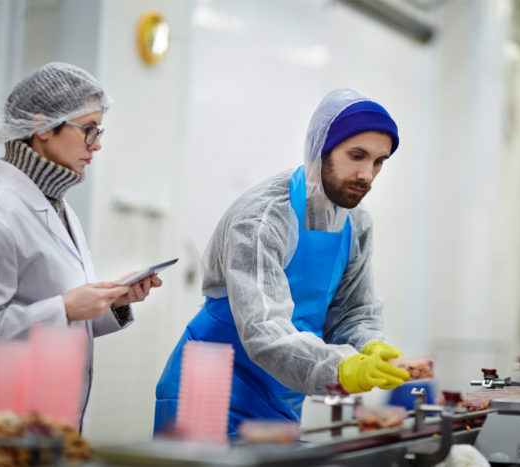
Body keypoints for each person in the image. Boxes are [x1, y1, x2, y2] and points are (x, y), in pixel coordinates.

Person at [155, 88, 410, 435]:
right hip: (209, 389)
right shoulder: (264, 215)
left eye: (378, 162)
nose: (367, 174)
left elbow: (353, 312)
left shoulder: (356, 222)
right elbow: (263, 328)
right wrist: (344, 368)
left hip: (281, 394)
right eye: (357, 155)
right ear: (321, 149)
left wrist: (371, 346)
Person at [0, 62, 162, 427]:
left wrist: (111, 303)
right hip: (0, 428)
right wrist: (64, 309)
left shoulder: (56, 205)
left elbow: (49, 312)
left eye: (99, 131)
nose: (97, 145)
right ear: (41, 126)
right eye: (88, 130)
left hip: (47, 422)